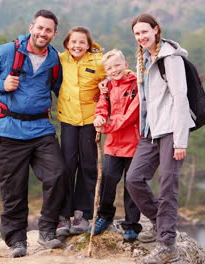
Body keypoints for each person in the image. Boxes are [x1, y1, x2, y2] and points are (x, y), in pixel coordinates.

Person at [0, 9, 66, 257]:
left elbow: (63, 90)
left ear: (54, 34)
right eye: (40, 28)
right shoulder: (8, 51)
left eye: (49, 30)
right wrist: (0, 84)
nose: (43, 33)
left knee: (57, 174)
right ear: (31, 27)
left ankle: (47, 231)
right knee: (13, 188)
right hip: (8, 129)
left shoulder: (54, 59)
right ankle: (17, 241)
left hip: (41, 128)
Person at [125, 13, 196, 264]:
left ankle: (167, 244)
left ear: (156, 30)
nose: (141, 37)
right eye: (137, 33)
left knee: (167, 185)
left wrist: (180, 141)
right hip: (150, 131)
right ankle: (160, 223)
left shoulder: (170, 58)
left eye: (145, 31)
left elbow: (180, 98)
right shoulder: (142, 58)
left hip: (170, 130)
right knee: (133, 179)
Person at [55, 26, 106, 236]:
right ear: (67, 43)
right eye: (73, 42)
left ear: (89, 45)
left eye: (82, 42)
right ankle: (63, 215)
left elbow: (118, 71)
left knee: (87, 166)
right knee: (66, 166)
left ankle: (82, 214)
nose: (77, 45)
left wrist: (107, 84)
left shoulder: (98, 61)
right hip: (67, 120)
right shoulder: (59, 59)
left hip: (89, 122)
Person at [91, 49, 142, 241]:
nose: (114, 70)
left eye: (117, 65)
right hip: (113, 145)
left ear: (126, 65)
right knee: (108, 181)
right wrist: (99, 117)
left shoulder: (138, 84)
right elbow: (102, 106)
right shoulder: (107, 88)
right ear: (105, 71)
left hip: (135, 143)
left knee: (132, 184)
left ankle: (132, 225)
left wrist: (107, 125)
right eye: (109, 68)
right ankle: (104, 216)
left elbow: (132, 114)